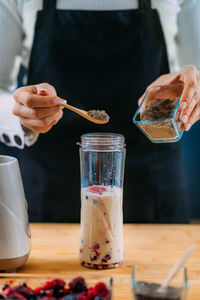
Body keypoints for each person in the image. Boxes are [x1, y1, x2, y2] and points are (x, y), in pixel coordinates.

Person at [0, 0, 200, 223]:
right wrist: (20, 111)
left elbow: (196, 71)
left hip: (152, 182)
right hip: (49, 185)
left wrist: (191, 86)